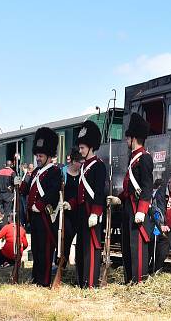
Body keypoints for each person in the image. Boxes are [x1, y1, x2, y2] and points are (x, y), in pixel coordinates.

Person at [109, 113, 154, 284]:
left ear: (134, 138)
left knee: (137, 246)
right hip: (128, 206)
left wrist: (142, 210)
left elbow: (147, 186)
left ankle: (139, 281)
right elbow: (128, 186)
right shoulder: (133, 157)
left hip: (137, 209)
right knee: (127, 245)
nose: (127, 141)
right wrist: (118, 199)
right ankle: (129, 279)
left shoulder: (145, 158)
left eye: (128, 138)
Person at [19, 127, 62, 287]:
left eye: (41, 155)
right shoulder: (36, 171)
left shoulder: (54, 171)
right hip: (33, 216)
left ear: (49, 156)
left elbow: (53, 192)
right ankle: (36, 277)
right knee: (36, 248)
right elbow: (25, 189)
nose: (38, 158)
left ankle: (43, 280)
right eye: (37, 155)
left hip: (44, 216)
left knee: (45, 249)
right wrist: (21, 180)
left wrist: (40, 204)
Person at [73, 120, 106, 288]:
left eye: (82, 148)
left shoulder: (98, 166)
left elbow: (99, 192)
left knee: (91, 248)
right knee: (81, 248)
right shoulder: (84, 166)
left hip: (91, 212)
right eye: (79, 148)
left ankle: (90, 282)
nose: (80, 151)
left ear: (91, 147)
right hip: (81, 212)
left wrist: (96, 212)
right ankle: (81, 280)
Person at [59, 150, 83, 272]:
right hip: (65, 212)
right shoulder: (63, 173)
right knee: (66, 238)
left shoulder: (81, 173)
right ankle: (61, 264)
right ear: (73, 161)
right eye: (80, 161)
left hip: (78, 211)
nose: (82, 163)